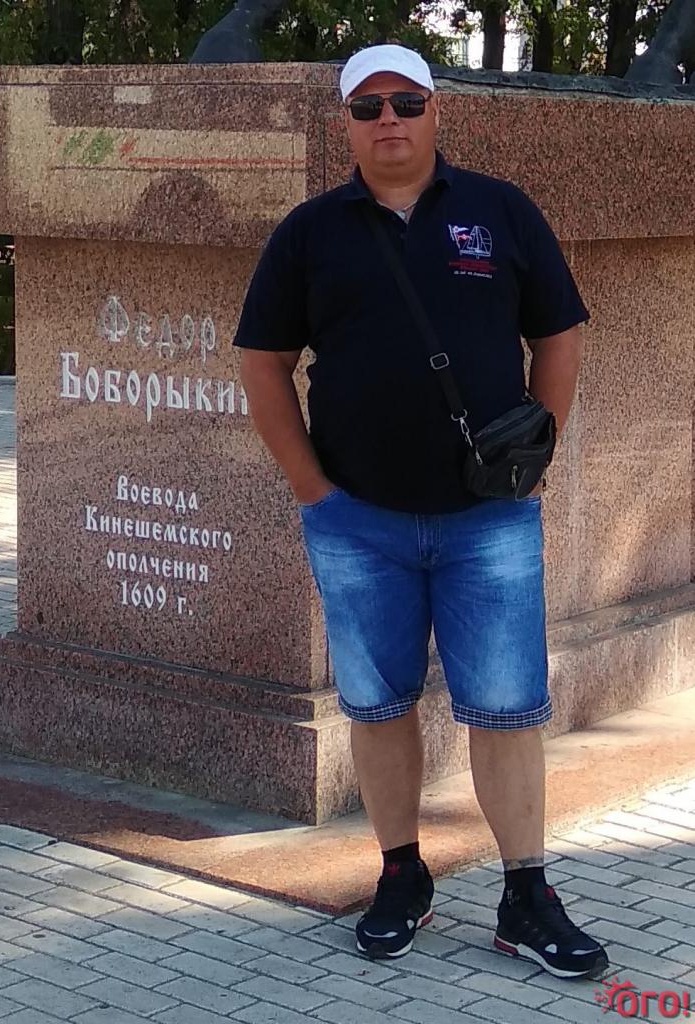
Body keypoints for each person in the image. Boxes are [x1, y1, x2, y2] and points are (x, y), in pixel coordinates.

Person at [233, 43, 609, 980]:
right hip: (358, 521)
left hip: (489, 521)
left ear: (438, 110)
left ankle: (526, 896)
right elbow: (263, 363)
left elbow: (558, 334)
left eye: (406, 101)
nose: (389, 119)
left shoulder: (500, 210)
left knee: (508, 708)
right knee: (378, 704)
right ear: (346, 125)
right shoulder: (309, 233)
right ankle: (401, 874)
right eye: (368, 107)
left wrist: (537, 454)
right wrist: (313, 491)